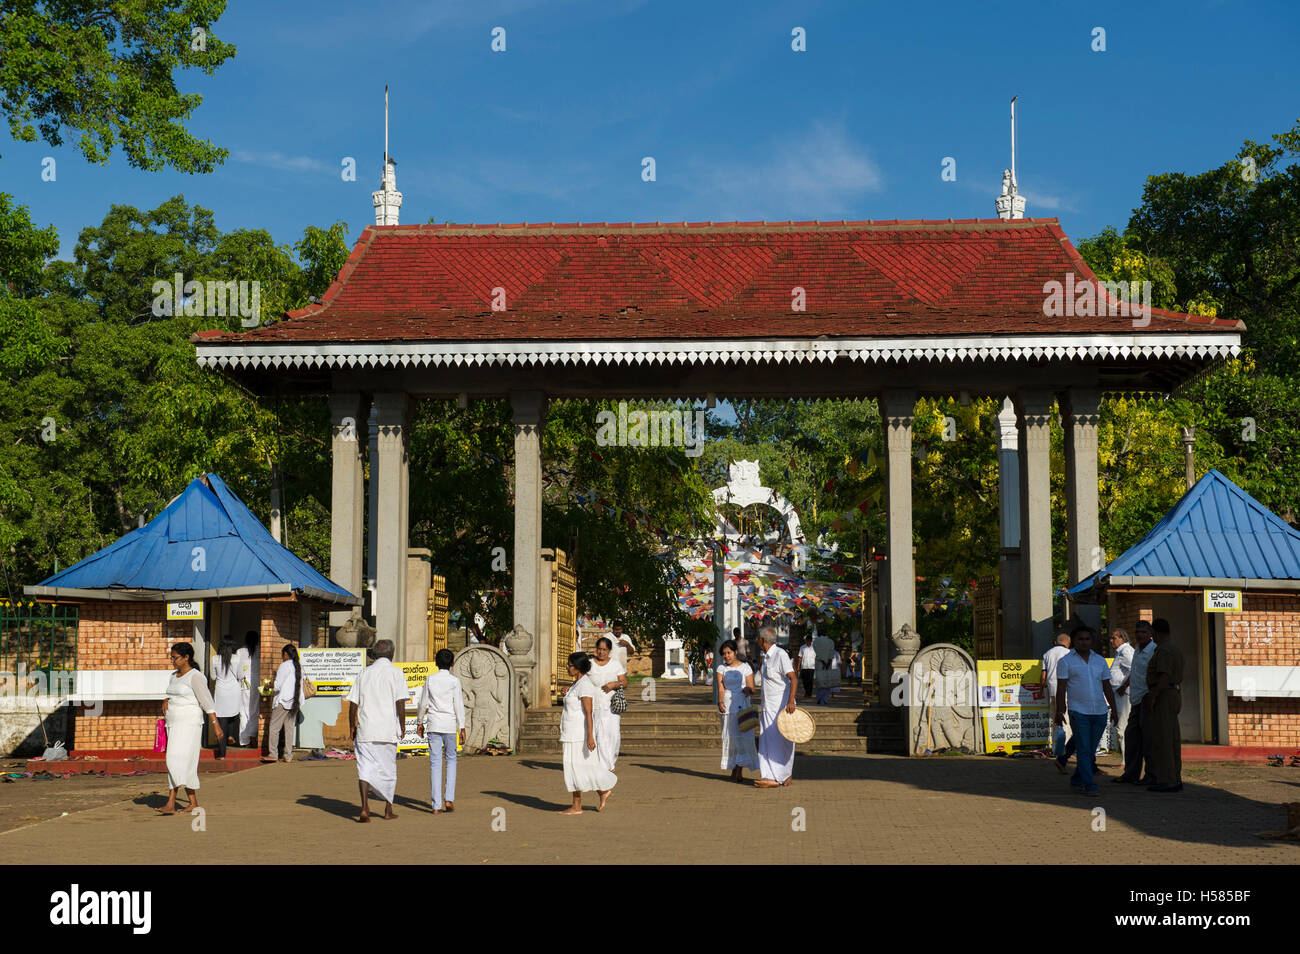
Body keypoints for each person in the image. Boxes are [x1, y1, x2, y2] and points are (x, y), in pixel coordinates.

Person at [345, 639, 409, 821]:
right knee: (388, 770)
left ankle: (365, 807)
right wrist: (402, 726)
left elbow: (353, 703)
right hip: (387, 729)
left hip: (366, 729)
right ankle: (388, 810)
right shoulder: (396, 673)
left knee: (364, 769)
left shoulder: (364, 673)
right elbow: (400, 703)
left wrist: (352, 725)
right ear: (392, 654)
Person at [156, 642, 223, 815]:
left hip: (189, 724)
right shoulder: (173, 675)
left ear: (186, 658)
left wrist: (215, 724)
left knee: (175, 760)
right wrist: (166, 700)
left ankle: (172, 801)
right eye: (171, 657)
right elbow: (171, 693)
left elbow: (206, 701)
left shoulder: (196, 676)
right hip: (173, 724)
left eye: (175, 658)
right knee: (178, 762)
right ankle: (187, 802)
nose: (172, 661)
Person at [1053, 625, 1117, 796]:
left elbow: (1107, 687)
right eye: (1080, 639)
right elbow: (1061, 688)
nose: (1084, 642)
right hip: (1078, 711)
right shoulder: (1066, 661)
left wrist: (1114, 709)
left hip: (1100, 712)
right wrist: (1060, 710)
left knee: (1089, 750)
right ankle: (1089, 784)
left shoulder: (1100, 660)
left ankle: (1076, 779)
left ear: (1092, 641)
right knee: (1083, 749)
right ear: (1074, 641)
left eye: (1087, 639)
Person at [559, 652, 616, 813]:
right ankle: (602, 791)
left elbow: (588, 712)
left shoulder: (585, 685)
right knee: (580, 768)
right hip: (570, 732)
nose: (568, 668)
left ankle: (577, 805)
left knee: (575, 768)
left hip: (578, 734)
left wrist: (590, 736)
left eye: (570, 665)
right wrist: (567, 692)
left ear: (578, 668)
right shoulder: (576, 684)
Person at [415, 648, 466, 813]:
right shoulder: (454, 681)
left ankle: (436, 805)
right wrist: (462, 727)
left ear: (436, 663)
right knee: (451, 761)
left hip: (434, 724)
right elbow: (458, 705)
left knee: (435, 764)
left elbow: (423, 703)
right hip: (450, 725)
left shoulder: (430, 679)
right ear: (452, 664)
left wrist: (419, 722)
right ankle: (449, 799)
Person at [754, 626, 798, 788]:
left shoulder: (780, 655)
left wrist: (791, 701)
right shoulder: (765, 658)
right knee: (767, 742)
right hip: (767, 707)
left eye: (758, 638)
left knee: (784, 742)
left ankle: (784, 774)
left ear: (763, 640)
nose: (757, 641)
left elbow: (793, 679)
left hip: (782, 707)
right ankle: (769, 775)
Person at [1113, 621, 1156, 784]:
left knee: (1148, 740)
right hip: (1135, 698)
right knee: (1132, 738)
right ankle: (1131, 774)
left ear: (1150, 633)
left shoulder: (1153, 650)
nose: (1140, 635)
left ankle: (1151, 775)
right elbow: (1134, 672)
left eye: (1144, 632)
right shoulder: (1138, 649)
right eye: (1137, 632)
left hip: (1147, 698)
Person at [1145, 618, 1184, 793]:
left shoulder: (1164, 650)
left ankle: (1168, 780)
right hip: (1171, 693)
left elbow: (1164, 676)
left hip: (1164, 694)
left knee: (1163, 739)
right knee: (1172, 737)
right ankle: (1174, 777)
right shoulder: (1173, 647)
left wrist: (1154, 696)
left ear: (1156, 633)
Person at [716, 639, 757, 782]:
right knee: (730, 737)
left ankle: (739, 769)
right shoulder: (721, 668)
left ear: (735, 652)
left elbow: (752, 688)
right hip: (727, 705)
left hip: (741, 704)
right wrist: (720, 701)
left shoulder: (745, 667)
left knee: (742, 738)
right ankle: (733, 768)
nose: (726, 656)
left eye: (729, 653)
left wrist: (747, 690)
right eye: (724, 654)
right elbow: (721, 688)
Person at [587, 636, 627, 773]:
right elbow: (581, 680)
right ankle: (606, 766)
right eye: (599, 649)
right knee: (600, 735)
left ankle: (610, 760)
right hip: (594, 705)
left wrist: (614, 684)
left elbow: (625, 683)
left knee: (613, 735)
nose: (601, 652)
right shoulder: (590, 664)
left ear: (609, 651)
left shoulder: (615, 664)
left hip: (612, 706)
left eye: (604, 650)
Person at [263, 643, 303, 763]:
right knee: (289, 729)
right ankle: (288, 755)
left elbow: (277, 686)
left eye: (283, 655)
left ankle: (273, 754)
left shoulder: (285, 665)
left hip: (283, 701)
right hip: (294, 702)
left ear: (286, 654)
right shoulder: (298, 666)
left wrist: (267, 686)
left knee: (274, 728)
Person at [211, 636, 245, 758]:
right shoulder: (237, 658)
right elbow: (240, 676)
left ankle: (222, 754)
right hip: (234, 691)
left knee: (222, 720)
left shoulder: (214, 659)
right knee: (234, 715)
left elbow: (213, 677)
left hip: (220, 692)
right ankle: (231, 735)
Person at [1041, 632, 1072, 761]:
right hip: (1066, 690)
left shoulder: (1047, 654)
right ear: (1068, 642)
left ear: (1056, 642)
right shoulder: (1070, 654)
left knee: (1054, 719)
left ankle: (1055, 748)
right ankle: (1065, 749)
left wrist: (1042, 686)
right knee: (1066, 719)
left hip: (1052, 690)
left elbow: (1043, 676)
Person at [1108, 628, 1134, 759]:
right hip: (1118, 694)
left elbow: (1135, 669)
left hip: (1123, 695)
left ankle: (1126, 760)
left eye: (1114, 638)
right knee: (1120, 725)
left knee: (1122, 726)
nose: (1111, 641)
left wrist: (1124, 686)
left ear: (1122, 639)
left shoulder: (1125, 651)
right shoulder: (1120, 652)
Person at [238, 631, 258, 747]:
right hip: (256, 683)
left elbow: (239, 671)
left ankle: (244, 740)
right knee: (254, 711)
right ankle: (254, 736)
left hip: (245, 682)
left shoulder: (240, 652)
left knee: (243, 711)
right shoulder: (260, 650)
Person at [797, 634, 816, 699]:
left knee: (810, 681)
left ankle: (809, 693)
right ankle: (806, 692)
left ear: (811, 641)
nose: (808, 642)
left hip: (811, 666)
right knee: (804, 681)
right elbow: (800, 657)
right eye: (806, 641)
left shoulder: (814, 647)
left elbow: (816, 657)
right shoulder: (802, 647)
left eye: (809, 641)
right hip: (804, 666)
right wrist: (798, 666)